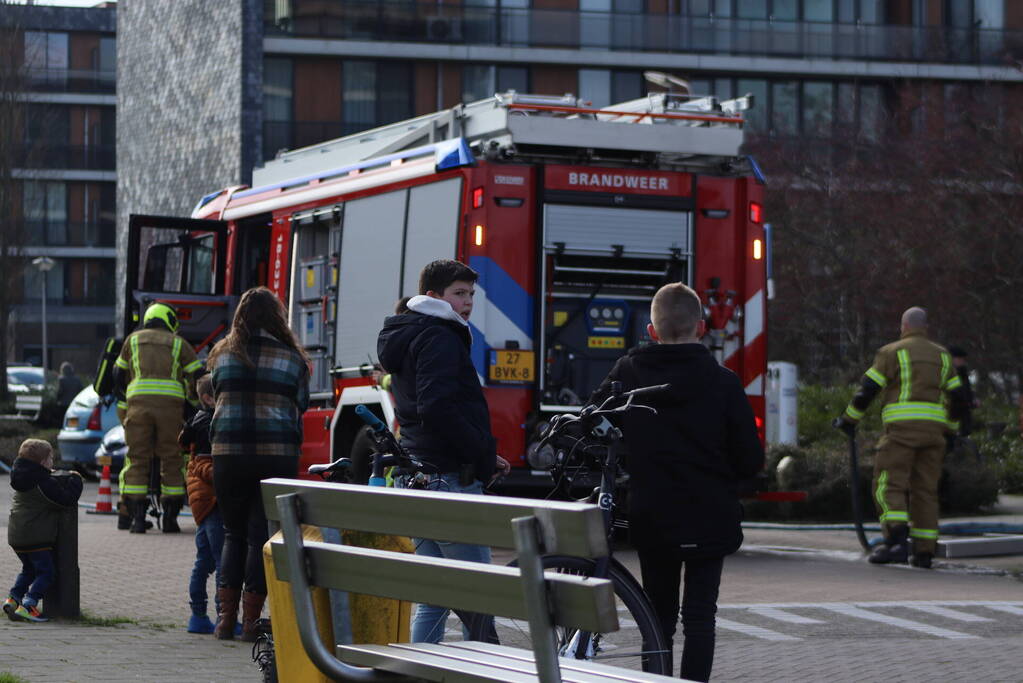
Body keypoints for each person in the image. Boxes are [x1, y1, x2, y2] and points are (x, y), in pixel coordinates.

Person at [588, 282, 764, 682]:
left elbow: (593, 421)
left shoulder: (628, 372)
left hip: (654, 515)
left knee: (658, 616)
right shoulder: (724, 382)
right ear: (701, 328)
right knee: (700, 618)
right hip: (711, 516)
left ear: (651, 331)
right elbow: (750, 460)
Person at [376, 259, 510, 643]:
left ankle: (417, 668)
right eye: (459, 293)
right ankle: (484, 667)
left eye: (471, 294)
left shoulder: (409, 333)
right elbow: (436, 408)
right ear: (433, 296)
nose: (468, 302)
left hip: (418, 475)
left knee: (435, 600)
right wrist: (481, 450)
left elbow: (427, 410)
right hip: (447, 479)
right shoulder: (440, 336)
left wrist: (483, 452)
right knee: (478, 597)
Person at [207, 287, 309, 641]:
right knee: (259, 536)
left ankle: (225, 620)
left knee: (232, 533)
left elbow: (215, 394)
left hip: (228, 453)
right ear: (276, 317)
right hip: (276, 454)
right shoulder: (292, 358)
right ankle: (251, 622)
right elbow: (302, 403)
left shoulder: (221, 354)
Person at [837, 307, 970, 569]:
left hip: (901, 433)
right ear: (925, 327)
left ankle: (896, 541)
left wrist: (849, 419)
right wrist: (951, 431)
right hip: (934, 436)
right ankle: (924, 552)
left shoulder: (892, 352)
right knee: (925, 491)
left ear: (904, 327)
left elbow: (868, 390)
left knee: (888, 485)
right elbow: (959, 399)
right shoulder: (943, 356)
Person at [114, 302, 202, 534]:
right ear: (169, 320)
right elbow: (197, 375)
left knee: (137, 459)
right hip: (170, 411)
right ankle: (170, 520)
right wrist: (193, 401)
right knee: (172, 459)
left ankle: (137, 520)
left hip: (138, 409)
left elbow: (118, 375)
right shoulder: (179, 343)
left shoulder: (132, 340)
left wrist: (126, 401)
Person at [4, 439, 83, 623]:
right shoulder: (42, 483)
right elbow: (65, 500)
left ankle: (13, 599)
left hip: (17, 535)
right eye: (51, 459)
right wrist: (76, 480)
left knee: (29, 570)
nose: (52, 462)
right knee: (47, 573)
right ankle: (29, 604)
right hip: (36, 537)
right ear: (43, 462)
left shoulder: (21, 476)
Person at [180, 373, 225, 635]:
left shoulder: (196, 420)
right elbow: (207, 466)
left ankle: (197, 616)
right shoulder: (209, 424)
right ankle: (223, 616)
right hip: (212, 502)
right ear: (209, 399)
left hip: (202, 503)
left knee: (204, 561)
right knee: (222, 563)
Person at [947, 346, 977, 437]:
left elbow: (966, 392)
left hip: (962, 414)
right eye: (960, 359)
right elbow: (956, 393)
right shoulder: (951, 373)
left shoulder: (963, 373)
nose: (963, 361)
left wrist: (971, 401)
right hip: (954, 414)